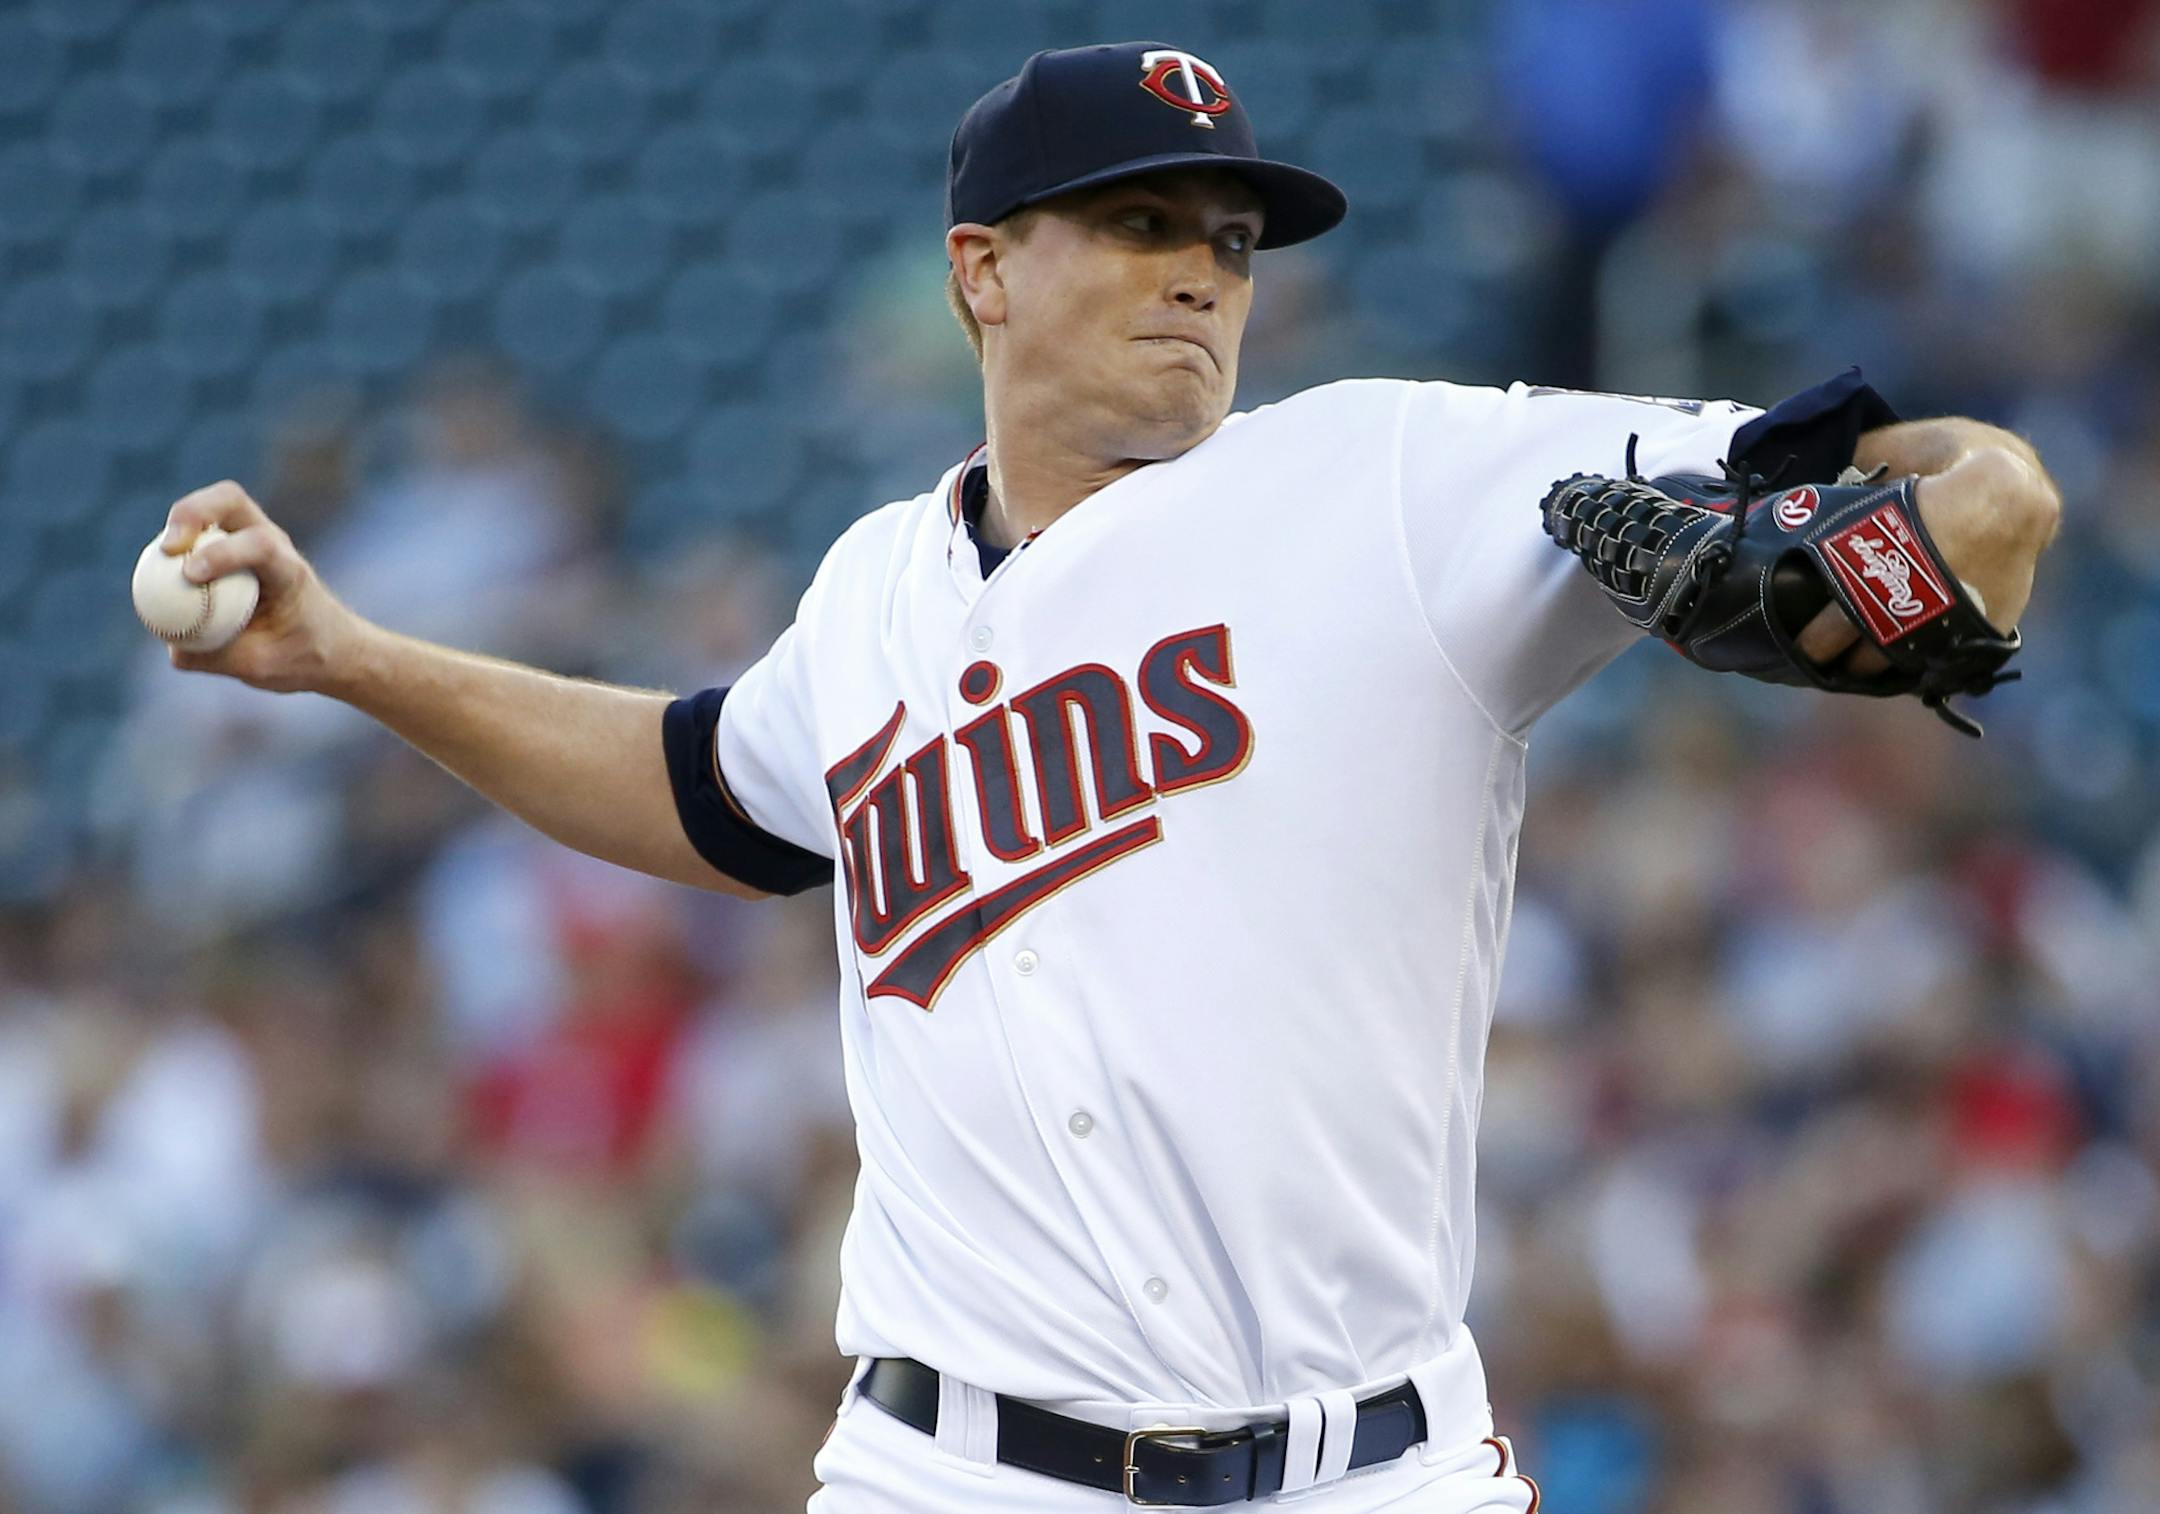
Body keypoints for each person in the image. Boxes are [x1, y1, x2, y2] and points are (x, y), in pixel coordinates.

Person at [157, 41, 2060, 1513]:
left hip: (1367, 1464)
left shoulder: (1391, 477)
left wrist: (1935, 534)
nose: (1201, 280)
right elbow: (709, 790)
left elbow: (1940, 479)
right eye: (1144, 225)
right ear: (983, 271)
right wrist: (353, 658)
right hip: (949, 1461)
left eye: (1228, 243)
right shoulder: (875, 587)